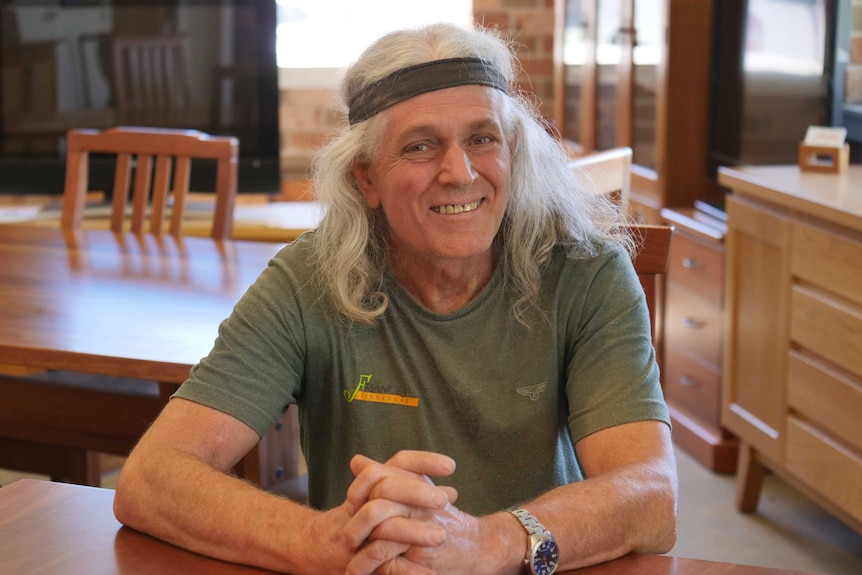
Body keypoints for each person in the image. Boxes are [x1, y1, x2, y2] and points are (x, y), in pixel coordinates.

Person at [113, 21, 677, 575]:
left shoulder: (587, 273)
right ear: (366, 179)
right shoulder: (308, 279)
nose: (459, 173)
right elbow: (150, 478)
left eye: (483, 139)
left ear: (512, 154)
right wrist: (319, 539)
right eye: (420, 146)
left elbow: (651, 497)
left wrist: (489, 542)